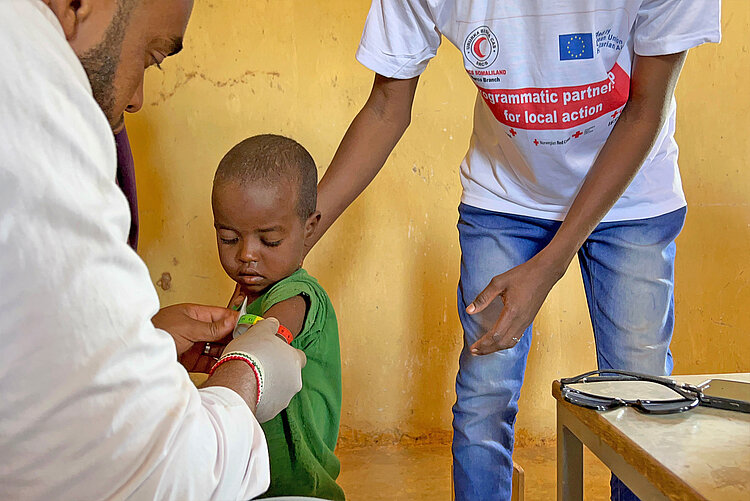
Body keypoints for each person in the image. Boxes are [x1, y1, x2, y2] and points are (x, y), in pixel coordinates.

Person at [309, 1, 721, 500]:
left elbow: (645, 109)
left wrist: (549, 264)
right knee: (485, 394)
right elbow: (385, 106)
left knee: (638, 393)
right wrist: (295, 239)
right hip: (504, 196)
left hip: (631, 197)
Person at [0, 1, 306, 499]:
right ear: (77, 4)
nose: (138, 98)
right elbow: (155, 472)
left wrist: (139, 343)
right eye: (150, 55)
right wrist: (246, 375)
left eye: (270, 240)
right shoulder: (29, 105)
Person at [208, 135, 344, 500]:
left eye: (268, 241)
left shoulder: (296, 294)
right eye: (228, 237)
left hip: (296, 486)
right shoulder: (248, 295)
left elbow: (268, 338)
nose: (247, 255)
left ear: (310, 228)